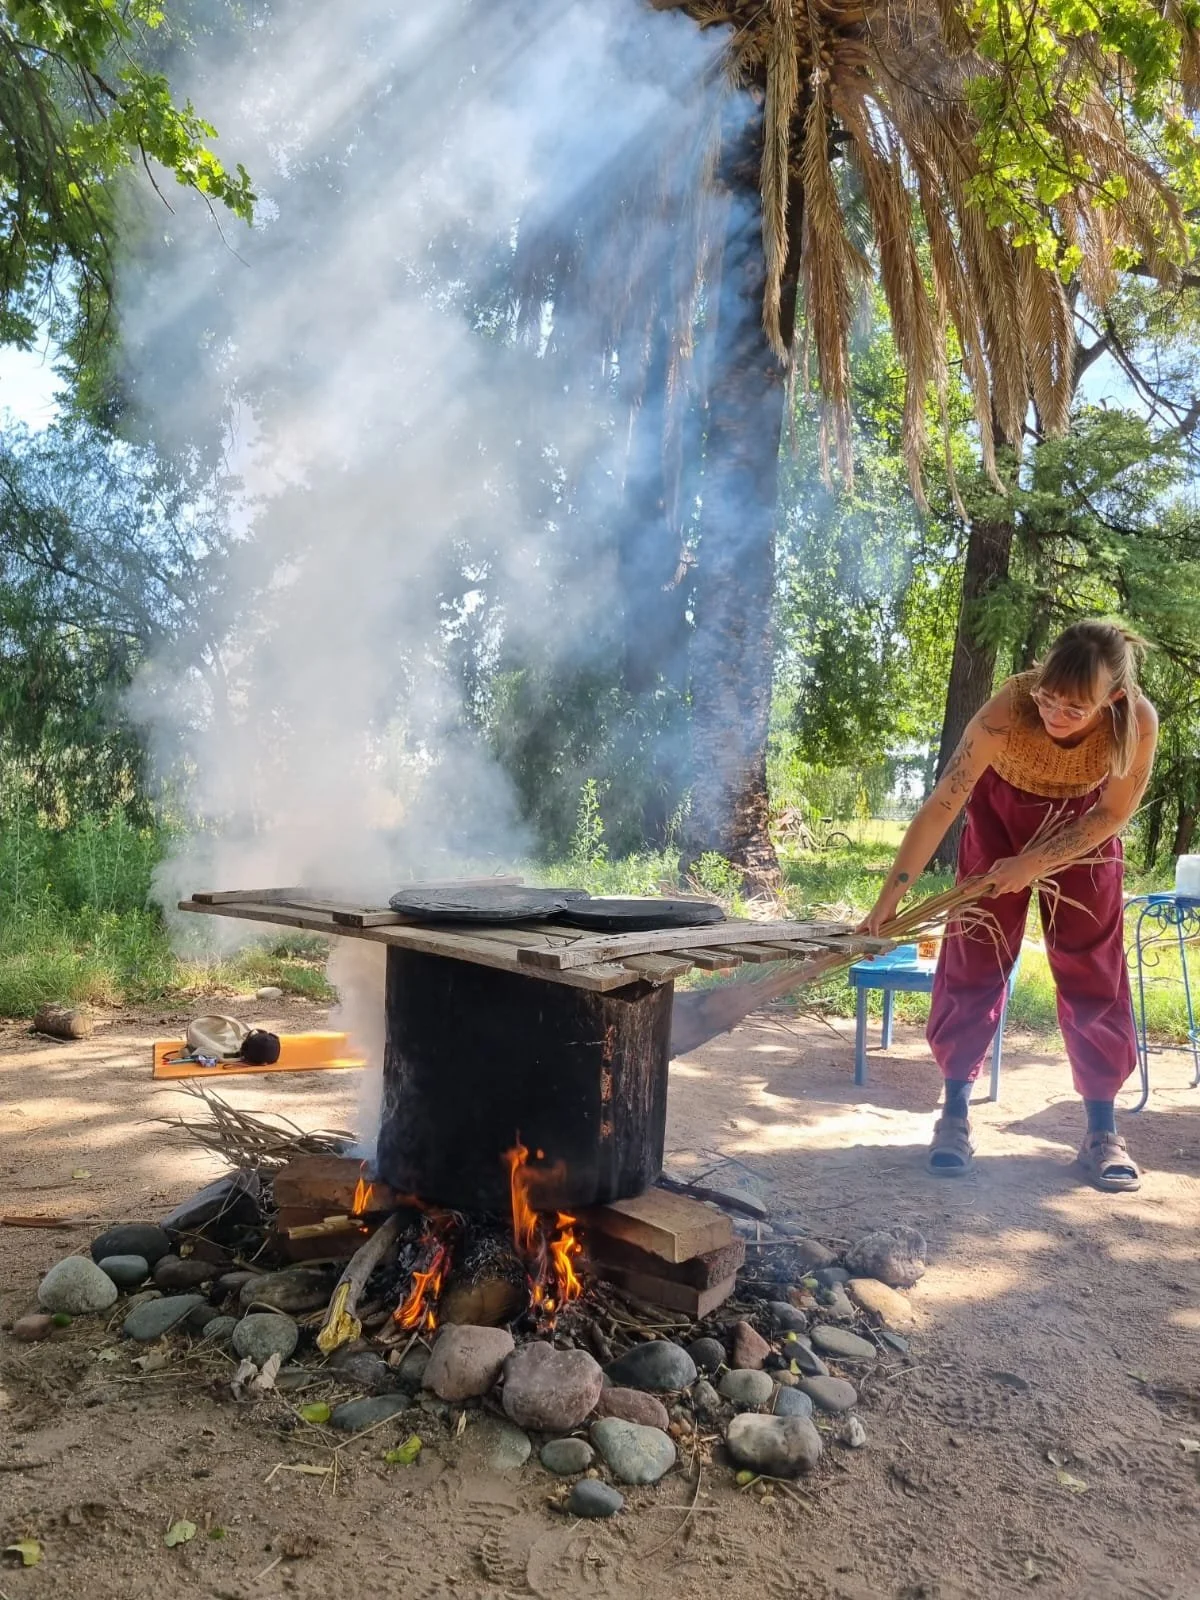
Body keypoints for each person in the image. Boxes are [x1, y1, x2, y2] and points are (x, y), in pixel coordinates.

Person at [861, 620, 1158, 1191]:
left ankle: (1101, 1130)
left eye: (1075, 708)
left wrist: (1033, 865)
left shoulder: (1136, 720)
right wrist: (886, 903)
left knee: (1092, 963)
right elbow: (942, 806)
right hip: (1000, 820)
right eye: (1049, 697)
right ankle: (953, 1116)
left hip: (1085, 833)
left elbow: (1112, 814)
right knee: (975, 952)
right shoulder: (1008, 710)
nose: (1055, 713)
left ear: (1112, 698)